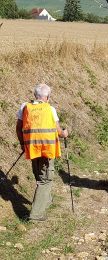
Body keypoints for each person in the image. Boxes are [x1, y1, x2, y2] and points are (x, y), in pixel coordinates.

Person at [16, 83, 68, 221]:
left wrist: (23, 144)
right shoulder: (50, 109)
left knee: (40, 176)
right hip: (46, 150)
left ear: (35, 95)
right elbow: (58, 131)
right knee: (45, 180)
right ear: (48, 97)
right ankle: (36, 215)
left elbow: (18, 128)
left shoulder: (24, 107)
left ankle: (46, 200)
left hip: (32, 148)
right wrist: (65, 133)